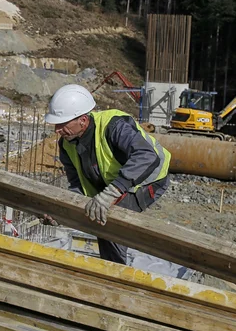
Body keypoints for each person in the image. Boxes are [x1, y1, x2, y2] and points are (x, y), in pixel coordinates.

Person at [42, 84, 172, 264]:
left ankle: (116, 276)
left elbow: (147, 156)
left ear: (83, 120)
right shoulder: (67, 145)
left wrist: (111, 193)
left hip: (148, 179)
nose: (57, 130)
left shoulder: (114, 125)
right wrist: (62, 211)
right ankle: (112, 272)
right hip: (114, 183)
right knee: (101, 216)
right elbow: (78, 187)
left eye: (62, 123)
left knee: (109, 221)